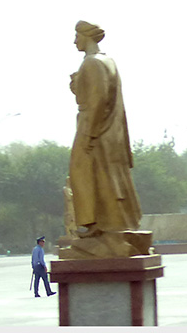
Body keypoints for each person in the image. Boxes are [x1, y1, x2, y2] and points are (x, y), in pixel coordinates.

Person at [68, 21, 141, 237]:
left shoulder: (92, 63)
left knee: (82, 172)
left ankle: (94, 224)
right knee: (105, 175)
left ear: (86, 36)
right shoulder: (108, 61)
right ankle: (109, 223)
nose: (74, 41)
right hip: (107, 129)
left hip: (92, 125)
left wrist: (90, 134)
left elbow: (99, 100)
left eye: (77, 36)